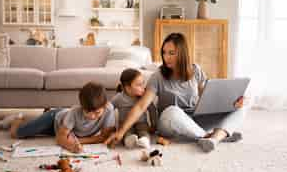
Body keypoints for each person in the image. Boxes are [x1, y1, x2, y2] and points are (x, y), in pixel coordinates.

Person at [105, 33, 246, 153]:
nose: (166, 57)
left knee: (241, 107)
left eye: (171, 53)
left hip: (195, 119)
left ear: (183, 53)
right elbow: (141, 106)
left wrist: (231, 102)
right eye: (164, 53)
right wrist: (121, 131)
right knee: (172, 111)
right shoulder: (157, 76)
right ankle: (212, 136)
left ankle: (215, 138)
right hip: (169, 123)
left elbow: (208, 98)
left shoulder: (196, 70)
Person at [0, 82, 116, 153]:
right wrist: (71, 146)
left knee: (34, 129)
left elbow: (103, 137)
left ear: (104, 106)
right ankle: (16, 119)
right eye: (88, 112)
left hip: (70, 131)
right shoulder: (74, 112)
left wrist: (78, 142)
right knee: (17, 133)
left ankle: (28, 122)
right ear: (82, 106)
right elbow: (60, 138)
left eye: (97, 113)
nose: (93, 117)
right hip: (54, 119)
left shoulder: (108, 109)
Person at [111, 68, 157, 149]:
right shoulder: (119, 98)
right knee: (127, 133)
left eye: (143, 83)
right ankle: (129, 141)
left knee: (144, 132)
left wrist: (154, 124)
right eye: (139, 85)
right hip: (124, 124)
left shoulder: (144, 97)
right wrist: (110, 128)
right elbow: (109, 109)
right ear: (127, 88)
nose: (143, 87)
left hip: (141, 122)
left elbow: (152, 109)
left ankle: (144, 140)